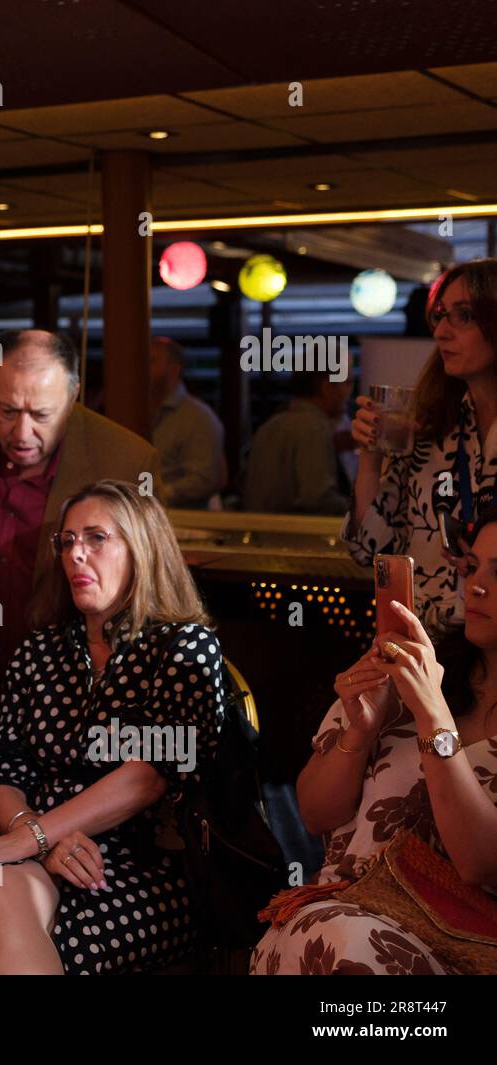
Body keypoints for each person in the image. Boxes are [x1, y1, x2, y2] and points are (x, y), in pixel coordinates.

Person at [0, 479, 226, 974]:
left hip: (140, 867)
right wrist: (36, 837)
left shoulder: (183, 647)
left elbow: (149, 774)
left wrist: (28, 840)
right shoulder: (40, 651)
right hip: (42, 856)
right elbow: (3, 768)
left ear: (142, 548)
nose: (76, 554)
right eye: (67, 541)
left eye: (96, 538)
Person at [252, 506, 497, 974]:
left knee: (345, 944)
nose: (477, 585)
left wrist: (433, 715)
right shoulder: (410, 671)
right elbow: (315, 813)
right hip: (340, 913)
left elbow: (480, 864)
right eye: (471, 568)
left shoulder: (426, 692)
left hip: (462, 948)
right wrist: (360, 732)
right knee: (334, 937)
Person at [0, 328, 162, 738]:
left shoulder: (127, 458)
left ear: (73, 398)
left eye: (41, 415)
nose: (21, 434)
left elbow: (144, 578)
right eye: (6, 411)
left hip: (61, 669)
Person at [346, 259, 497, 633]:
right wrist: (370, 455)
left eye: (463, 316)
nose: (442, 332)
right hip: (431, 641)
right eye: (441, 316)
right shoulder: (432, 429)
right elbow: (369, 550)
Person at [243, 373, 352, 515]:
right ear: (326, 387)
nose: (350, 391)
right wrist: (362, 508)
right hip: (292, 534)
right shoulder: (313, 427)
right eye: (347, 383)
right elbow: (317, 500)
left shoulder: (269, 425)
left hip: (258, 532)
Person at [149, 336, 225, 508]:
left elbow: (204, 480)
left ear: (174, 369)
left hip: (181, 522)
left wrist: (157, 496)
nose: (142, 368)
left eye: (151, 361)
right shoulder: (136, 412)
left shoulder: (198, 417)